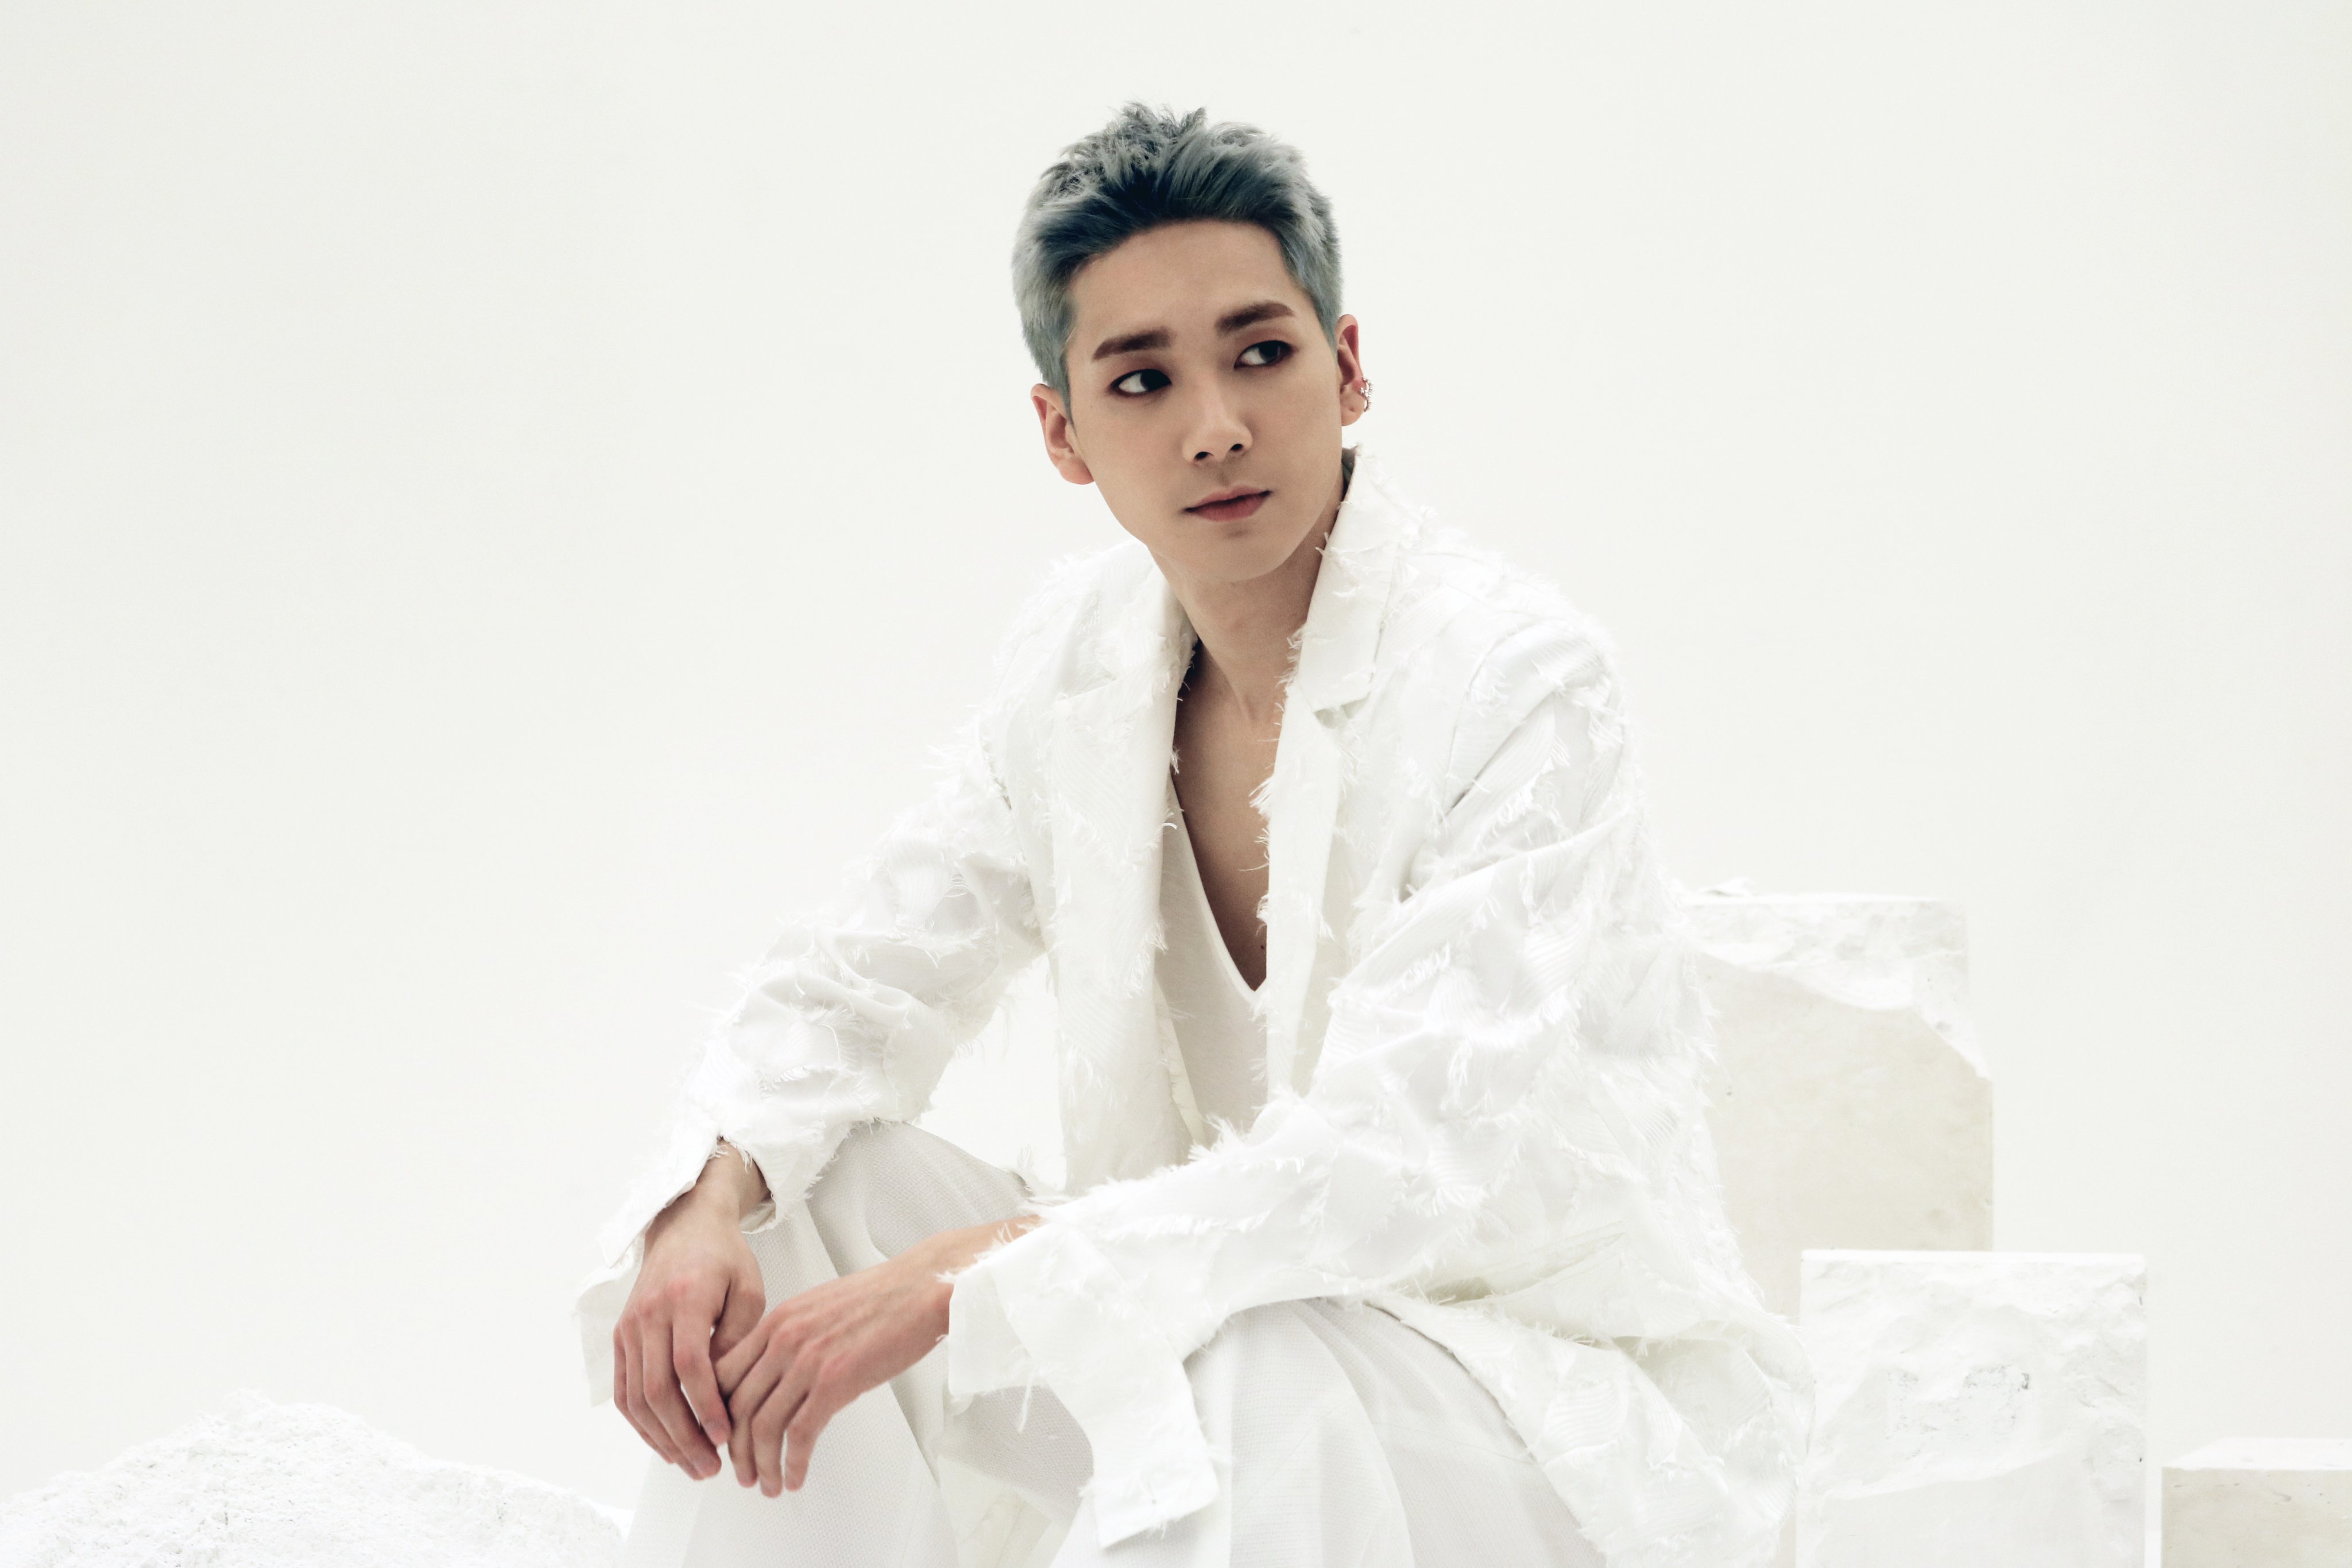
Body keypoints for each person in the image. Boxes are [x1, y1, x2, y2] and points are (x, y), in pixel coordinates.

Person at [575, 103, 1810, 1568]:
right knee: (808, 1196)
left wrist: (962, 1278)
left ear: (1348, 366)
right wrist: (702, 1200)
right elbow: (864, 976)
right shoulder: (1080, 664)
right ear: (1063, 433)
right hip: (1213, 1368)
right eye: (1142, 379)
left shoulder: (1515, 679)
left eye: (1260, 353)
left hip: (1529, 1423)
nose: (1214, 423)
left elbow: (1384, 1171)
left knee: (1241, 1347)